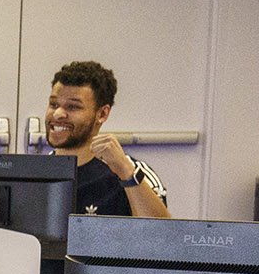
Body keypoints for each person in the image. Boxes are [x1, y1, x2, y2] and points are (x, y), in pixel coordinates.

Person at [41, 61, 169, 218]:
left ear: (102, 114)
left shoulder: (131, 172)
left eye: (73, 107)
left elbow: (161, 236)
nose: (58, 114)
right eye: (53, 104)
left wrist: (126, 172)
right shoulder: (34, 173)